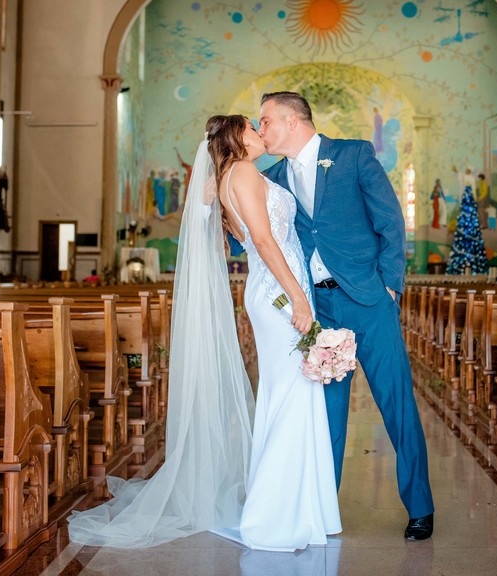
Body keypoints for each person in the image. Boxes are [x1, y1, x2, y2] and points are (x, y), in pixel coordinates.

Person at [67, 114, 339, 552]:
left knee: (291, 394)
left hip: (281, 287)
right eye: (253, 128)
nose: (260, 133)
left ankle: (304, 510)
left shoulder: (231, 176)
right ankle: (271, 518)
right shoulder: (243, 172)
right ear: (237, 138)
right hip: (279, 292)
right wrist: (299, 298)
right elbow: (263, 241)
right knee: (289, 396)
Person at [258, 91, 435, 541]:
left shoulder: (353, 155)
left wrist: (390, 285)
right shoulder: (272, 178)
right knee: (327, 416)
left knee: (397, 403)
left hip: (369, 301)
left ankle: (420, 507)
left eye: (266, 121)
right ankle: (323, 511)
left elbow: (390, 221)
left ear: (292, 120)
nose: (261, 130)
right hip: (319, 310)